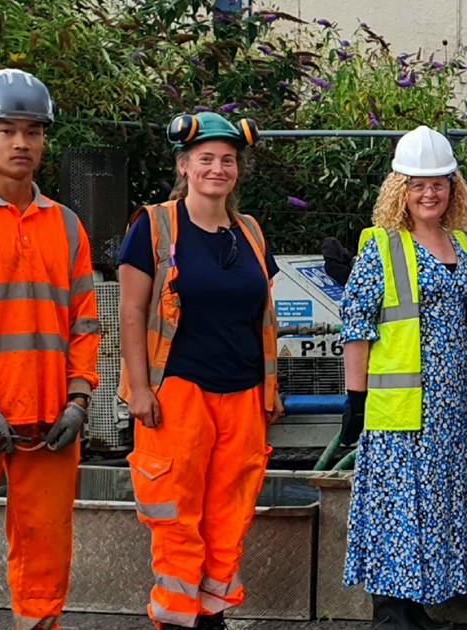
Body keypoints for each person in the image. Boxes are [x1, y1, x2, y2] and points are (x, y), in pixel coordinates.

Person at [0, 67, 98, 630]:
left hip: (48, 414)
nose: (21, 143)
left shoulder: (66, 225)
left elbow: (85, 323)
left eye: (33, 131)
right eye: (6, 129)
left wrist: (79, 398)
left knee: (47, 542)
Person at [119, 111, 281, 630]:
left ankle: (211, 615)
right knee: (176, 516)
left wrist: (271, 390)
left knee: (229, 515)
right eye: (206, 159)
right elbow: (130, 312)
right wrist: (139, 389)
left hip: (243, 395)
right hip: (178, 394)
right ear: (184, 165)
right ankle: (175, 620)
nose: (218, 168)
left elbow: (264, 317)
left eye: (228, 160)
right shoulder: (155, 224)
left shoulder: (251, 232)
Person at [339, 125, 467, 629]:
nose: (429, 193)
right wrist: (355, 399)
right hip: (402, 409)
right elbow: (356, 326)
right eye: (417, 184)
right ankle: (391, 615)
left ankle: (416, 609)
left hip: (452, 408)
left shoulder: (465, 246)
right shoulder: (381, 247)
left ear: (453, 188)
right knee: (399, 510)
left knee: (434, 511)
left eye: (439, 183)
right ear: (399, 190)